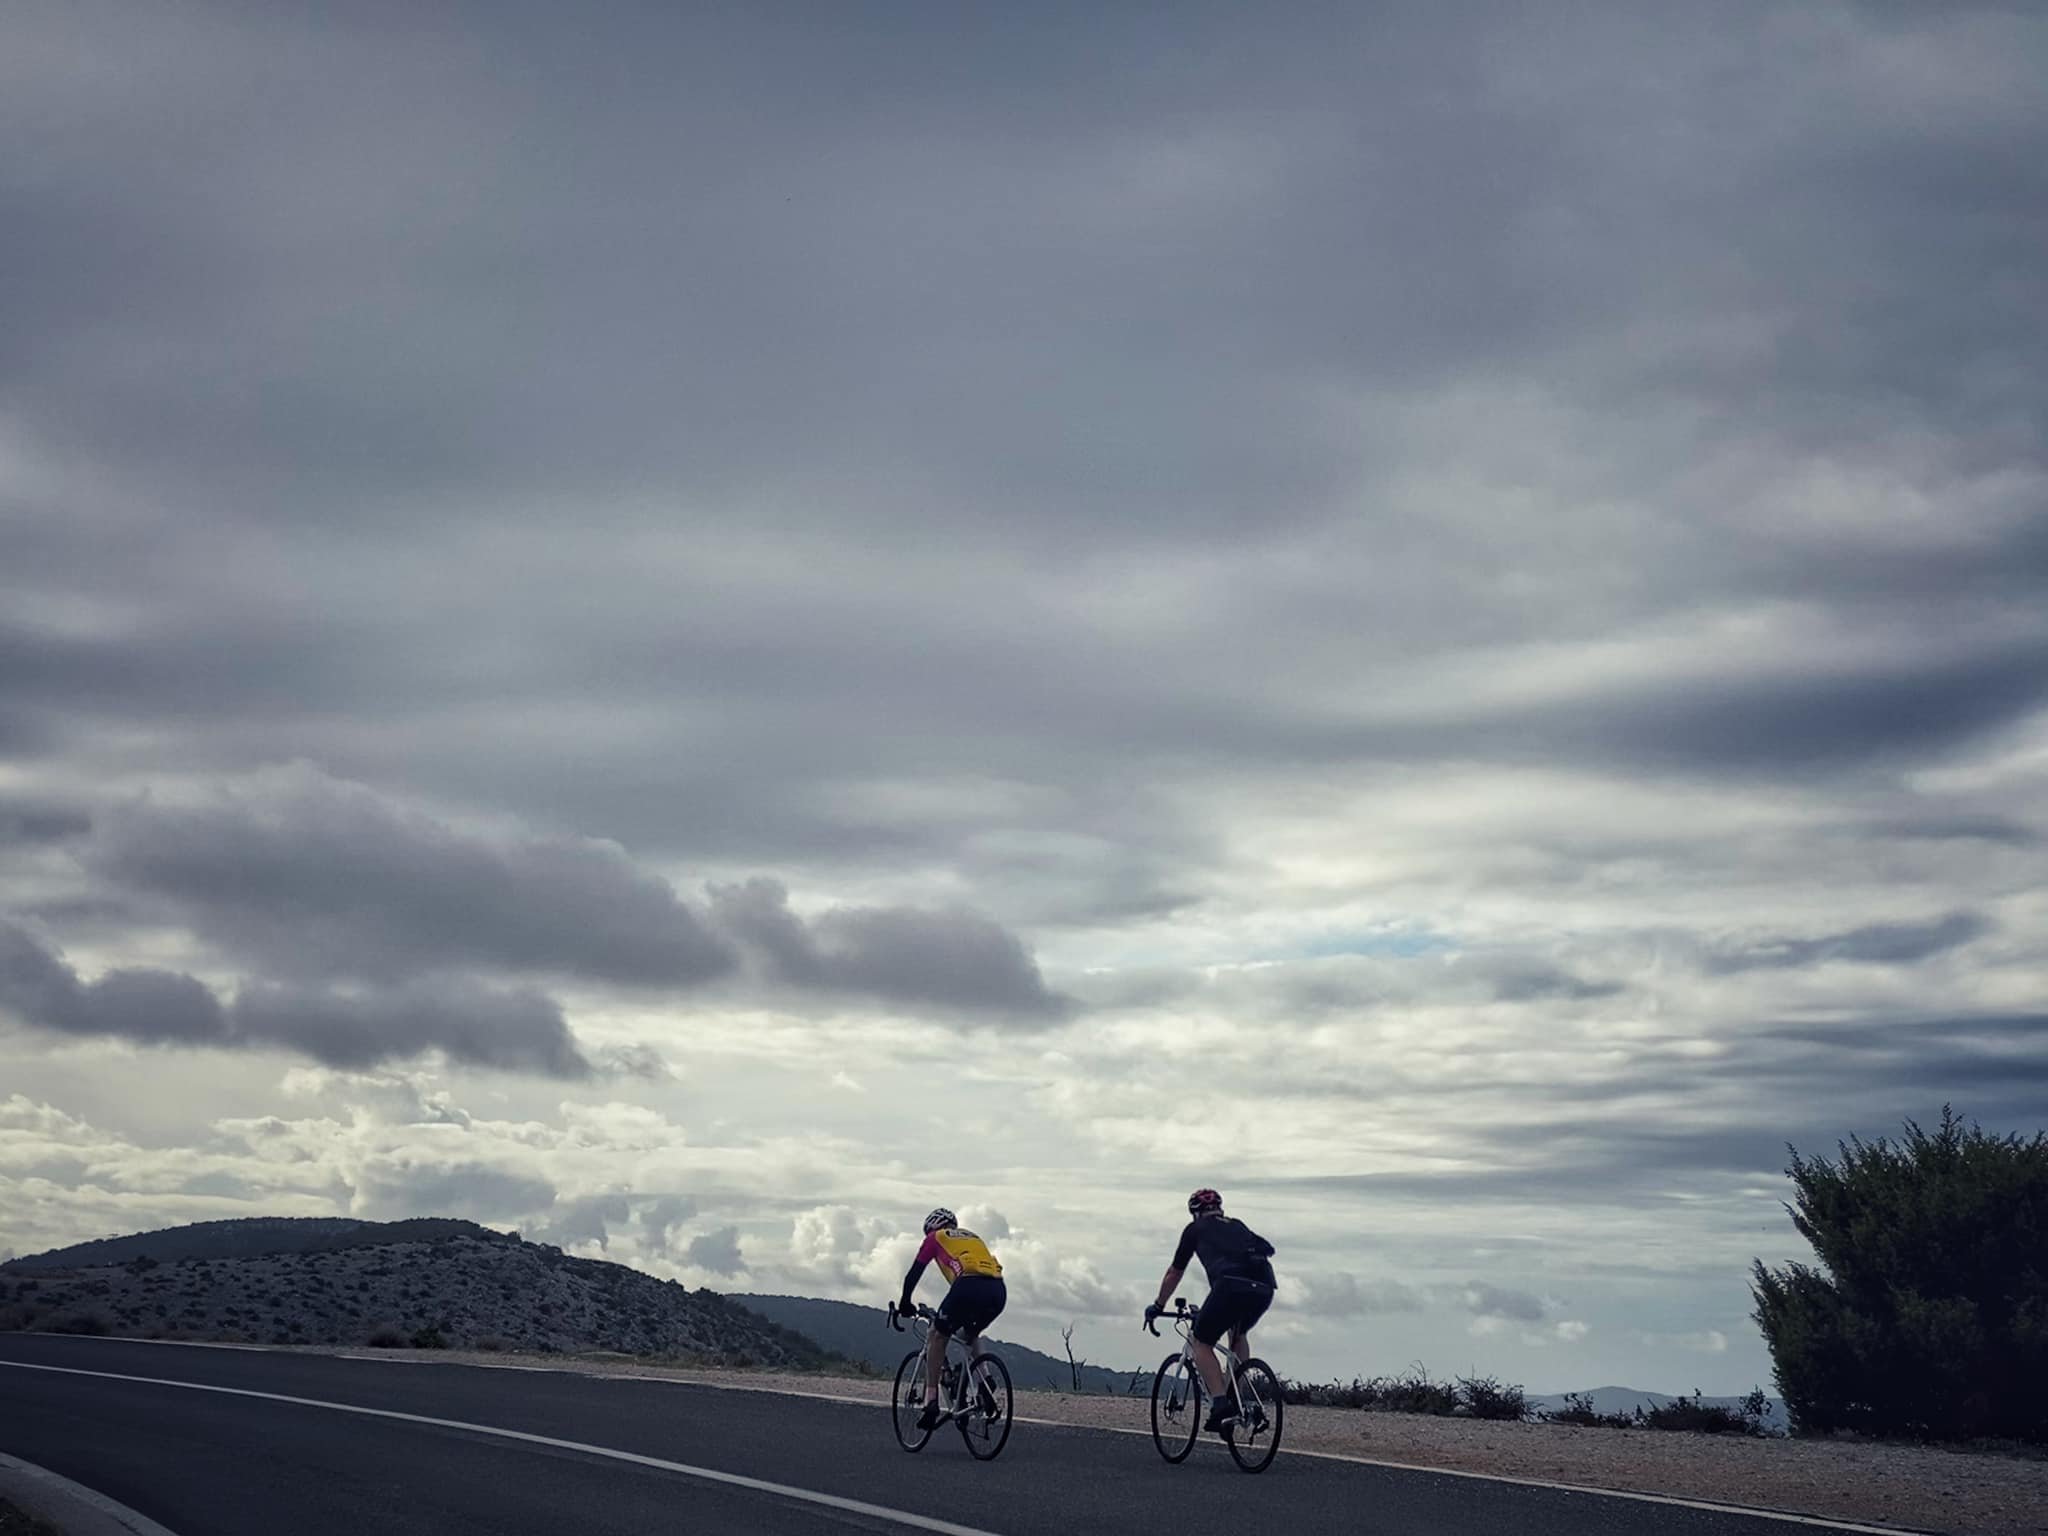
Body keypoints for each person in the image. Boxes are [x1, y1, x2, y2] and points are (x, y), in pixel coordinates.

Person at [1145, 1188, 1276, 1432]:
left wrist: (1158, 1305)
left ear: (1195, 1212)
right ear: (1220, 1208)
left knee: (1201, 1341)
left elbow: (1174, 1272)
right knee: (1238, 1334)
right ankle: (1237, 1397)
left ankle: (1220, 1404)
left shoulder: (1194, 1230)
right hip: (1265, 1288)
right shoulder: (1238, 1225)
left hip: (1230, 1287)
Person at [898, 1206, 1007, 1430]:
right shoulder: (974, 1237)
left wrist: (905, 1302)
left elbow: (913, 1274)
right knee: (971, 1333)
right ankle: (985, 1381)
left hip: (967, 1286)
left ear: (931, 1227)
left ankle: (930, 1401)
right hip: (998, 1290)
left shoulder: (934, 1238)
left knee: (937, 1335)